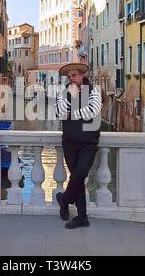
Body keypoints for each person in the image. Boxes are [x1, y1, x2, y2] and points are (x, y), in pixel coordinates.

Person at [55, 63, 102, 229]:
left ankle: (65, 199)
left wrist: (71, 114)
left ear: (82, 75)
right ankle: (82, 217)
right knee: (78, 178)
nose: (71, 79)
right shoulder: (64, 93)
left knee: (80, 174)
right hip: (69, 143)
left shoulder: (94, 91)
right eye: (69, 77)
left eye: (74, 76)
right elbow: (60, 112)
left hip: (89, 143)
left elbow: (93, 111)